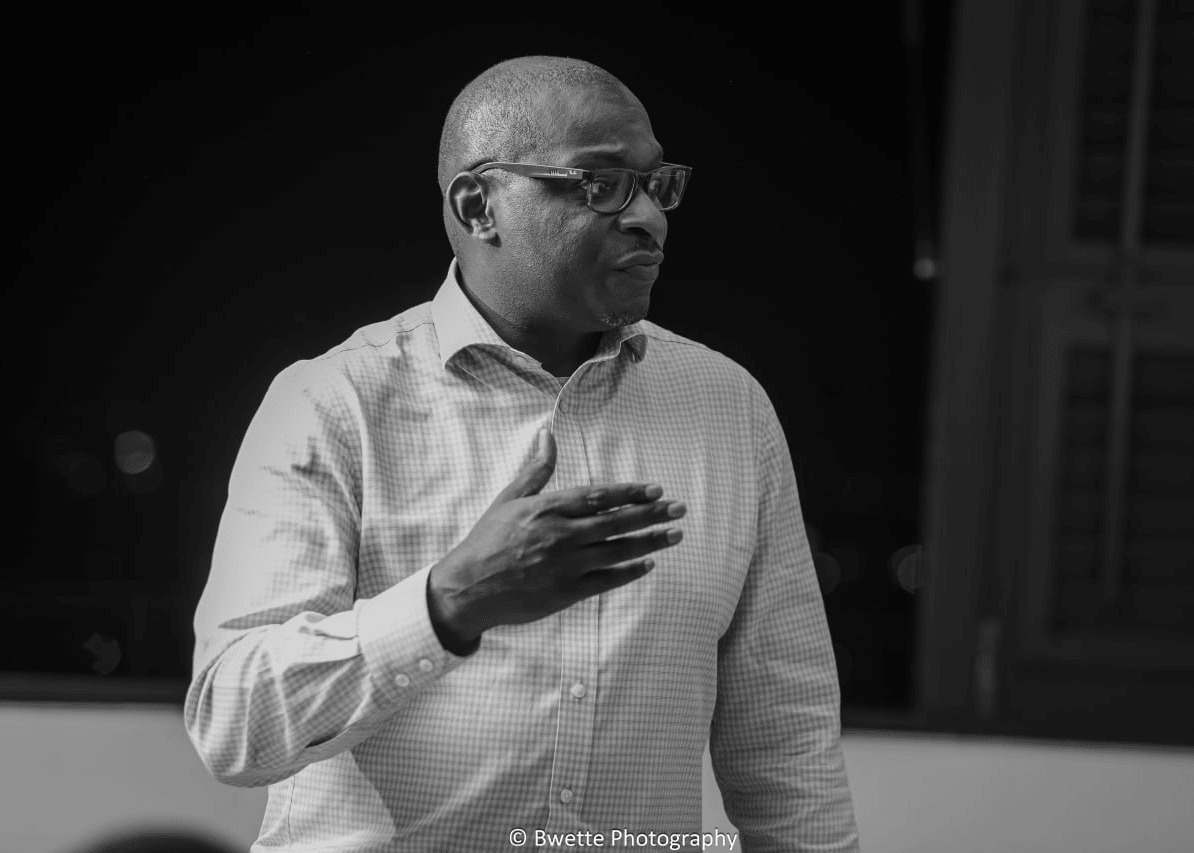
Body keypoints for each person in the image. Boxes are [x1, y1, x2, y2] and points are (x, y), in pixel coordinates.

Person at [185, 55, 859, 852]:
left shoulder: (729, 408)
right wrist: (448, 603)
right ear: (479, 206)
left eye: (657, 184)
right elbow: (233, 723)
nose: (650, 218)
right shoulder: (335, 403)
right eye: (602, 183)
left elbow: (787, 747)